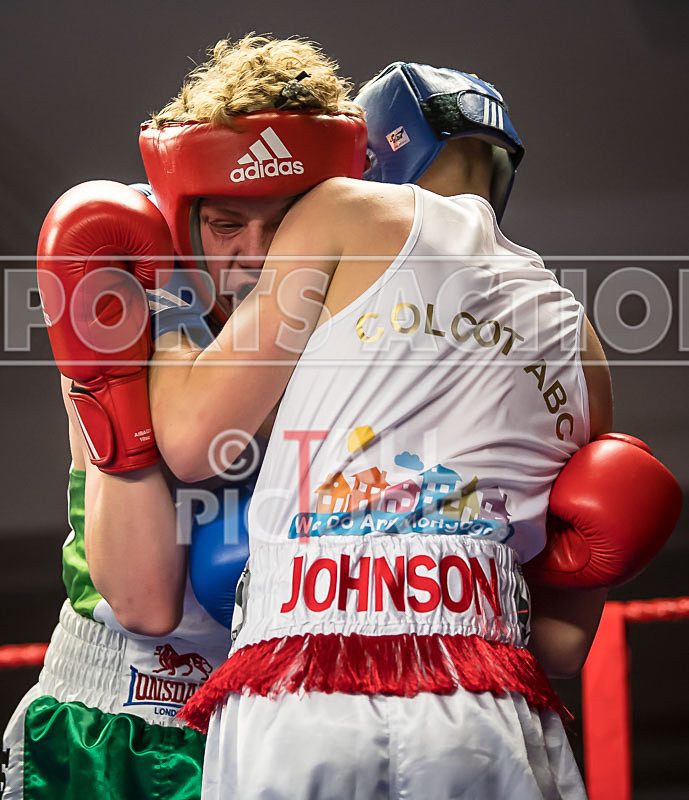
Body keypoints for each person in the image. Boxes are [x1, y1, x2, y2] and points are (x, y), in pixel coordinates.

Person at [3, 34, 366, 800]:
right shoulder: (122, 320)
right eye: (227, 224)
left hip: (296, 723)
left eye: (287, 224)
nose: (256, 257)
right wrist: (161, 331)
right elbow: (144, 602)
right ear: (182, 221)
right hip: (118, 725)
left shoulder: (370, 337)